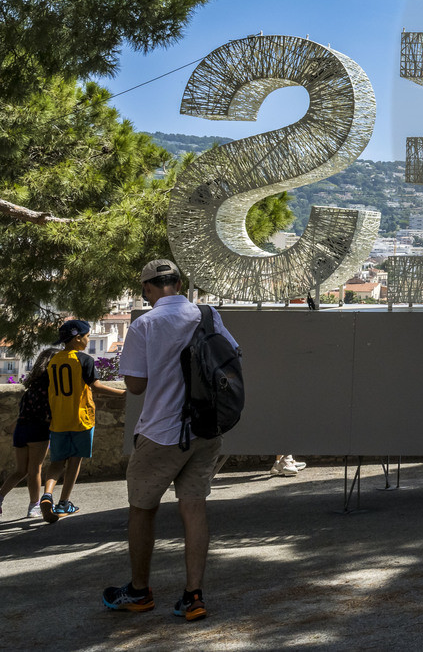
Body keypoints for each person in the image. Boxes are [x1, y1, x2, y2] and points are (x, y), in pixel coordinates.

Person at [103, 259, 239, 621]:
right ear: (178, 283)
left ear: (147, 289)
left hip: (162, 431)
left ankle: (139, 591)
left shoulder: (145, 324)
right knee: (194, 507)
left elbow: (135, 386)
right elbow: (231, 357)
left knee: (142, 508)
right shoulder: (208, 315)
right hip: (206, 429)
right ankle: (193, 596)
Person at [39, 319, 125, 521]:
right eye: (87, 336)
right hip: (81, 419)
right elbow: (96, 387)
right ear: (78, 338)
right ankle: (63, 503)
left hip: (59, 420)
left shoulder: (53, 360)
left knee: (56, 462)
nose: (88, 340)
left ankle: (47, 494)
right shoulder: (84, 360)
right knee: (75, 461)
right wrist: (122, 395)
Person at [1, 347, 59, 520]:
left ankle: (0, 496)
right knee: (35, 470)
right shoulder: (50, 389)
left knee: (20, 470)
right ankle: (34, 506)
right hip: (37, 431)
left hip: (21, 429)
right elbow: (46, 416)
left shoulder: (32, 388)